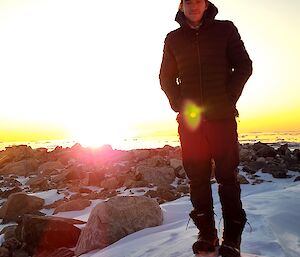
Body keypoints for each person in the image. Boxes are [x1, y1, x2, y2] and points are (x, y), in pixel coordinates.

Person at [159, 0, 252, 256]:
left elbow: (244, 65)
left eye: (198, 0)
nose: (193, 6)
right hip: (191, 124)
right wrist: (179, 104)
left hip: (222, 118)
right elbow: (166, 76)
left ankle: (232, 235)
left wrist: (228, 97)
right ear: (182, 5)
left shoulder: (226, 30)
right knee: (197, 178)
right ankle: (206, 232)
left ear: (206, 3)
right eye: (188, 1)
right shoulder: (173, 38)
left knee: (227, 178)